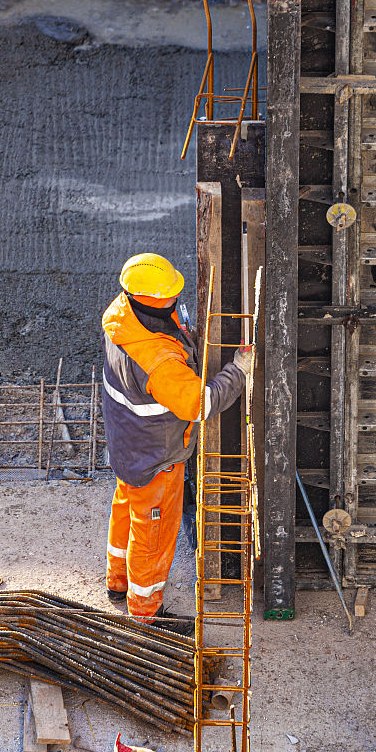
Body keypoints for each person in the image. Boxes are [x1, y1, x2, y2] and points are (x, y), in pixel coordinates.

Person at [100, 253, 253, 634]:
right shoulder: (161, 361)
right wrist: (238, 371)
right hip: (156, 455)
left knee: (126, 509)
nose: (175, 300)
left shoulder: (120, 315)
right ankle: (145, 613)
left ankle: (117, 582)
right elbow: (200, 404)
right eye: (171, 295)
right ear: (157, 300)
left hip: (126, 443)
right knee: (152, 534)